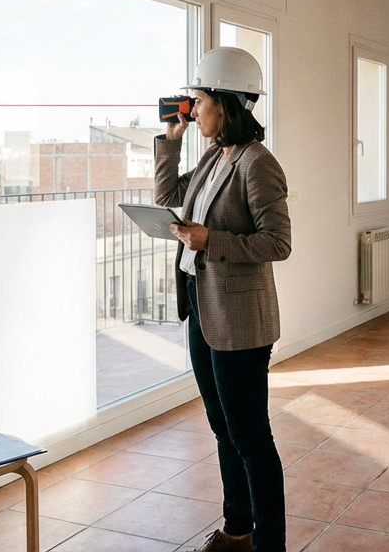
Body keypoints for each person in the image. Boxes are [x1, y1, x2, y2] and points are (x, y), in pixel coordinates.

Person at [154, 46, 291, 552]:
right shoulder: (216, 156)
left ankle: (268, 546)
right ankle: (238, 529)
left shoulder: (258, 164)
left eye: (200, 98)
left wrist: (209, 240)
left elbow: (278, 242)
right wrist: (172, 141)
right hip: (202, 309)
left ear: (225, 103)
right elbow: (168, 194)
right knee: (222, 427)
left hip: (239, 322)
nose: (194, 107)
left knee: (252, 438)